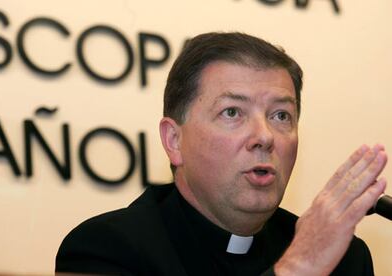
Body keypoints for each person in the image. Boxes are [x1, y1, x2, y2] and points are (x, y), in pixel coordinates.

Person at [55, 32, 388, 275]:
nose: (264, 136)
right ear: (174, 141)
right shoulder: (105, 249)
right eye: (232, 112)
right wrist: (298, 267)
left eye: (280, 116)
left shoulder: (345, 259)